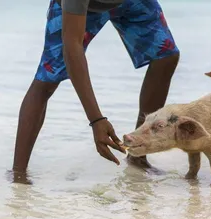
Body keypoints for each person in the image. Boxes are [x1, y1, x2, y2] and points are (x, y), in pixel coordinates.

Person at [12, 0, 180, 182]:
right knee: (47, 80)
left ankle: (138, 155)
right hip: (77, 7)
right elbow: (72, 47)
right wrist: (96, 119)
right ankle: (18, 174)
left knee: (166, 56)